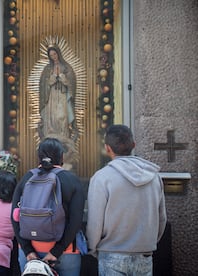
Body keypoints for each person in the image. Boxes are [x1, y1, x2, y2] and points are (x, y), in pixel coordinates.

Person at [86, 124, 167, 276]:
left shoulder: (102, 178)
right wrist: (147, 243)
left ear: (107, 148)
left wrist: (92, 247)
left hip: (111, 254)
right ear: (134, 145)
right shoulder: (154, 177)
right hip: (144, 254)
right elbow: (161, 219)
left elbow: (95, 222)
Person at [11, 137, 85, 276]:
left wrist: (27, 250)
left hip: (30, 254)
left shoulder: (26, 179)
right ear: (61, 156)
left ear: (39, 157)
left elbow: (14, 217)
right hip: (66, 252)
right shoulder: (71, 180)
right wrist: (57, 251)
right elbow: (76, 220)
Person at [39, 45, 78, 170]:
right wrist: (50, 80)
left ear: (58, 54)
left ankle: (63, 136)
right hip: (51, 98)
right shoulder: (47, 69)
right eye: (51, 56)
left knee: (62, 117)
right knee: (51, 119)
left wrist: (63, 79)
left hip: (62, 97)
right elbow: (43, 85)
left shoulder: (66, 68)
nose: (53, 57)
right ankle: (51, 137)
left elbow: (72, 84)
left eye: (54, 54)